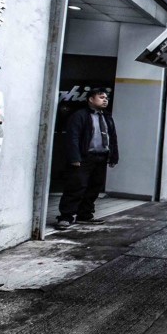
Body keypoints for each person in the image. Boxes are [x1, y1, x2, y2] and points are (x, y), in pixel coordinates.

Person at [56, 87, 119, 230]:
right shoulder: (80, 115)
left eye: (106, 98)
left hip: (101, 157)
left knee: (94, 187)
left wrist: (113, 156)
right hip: (84, 158)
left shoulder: (107, 117)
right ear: (91, 99)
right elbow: (72, 137)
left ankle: (84, 215)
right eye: (101, 97)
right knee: (76, 186)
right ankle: (65, 217)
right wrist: (74, 157)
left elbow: (112, 138)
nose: (105, 100)